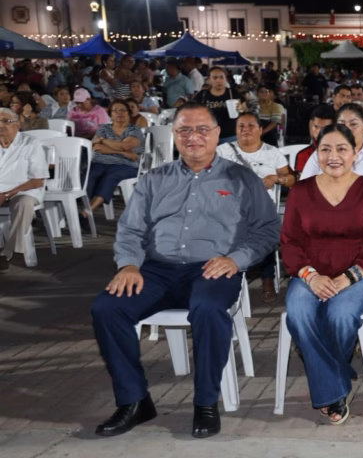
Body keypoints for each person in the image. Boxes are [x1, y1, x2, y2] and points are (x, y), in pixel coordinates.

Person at [90, 103, 279, 439]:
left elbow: (267, 229)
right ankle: (135, 400)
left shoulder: (241, 178)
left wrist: (236, 260)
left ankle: (205, 402)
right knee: (107, 307)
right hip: (156, 270)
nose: (194, 137)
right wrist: (129, 265)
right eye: (184, 130)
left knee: (208, 309)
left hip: (211, 269)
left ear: (218, 134)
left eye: (202, 129)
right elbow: (131, 230)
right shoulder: (154, 180)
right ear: (174, 135)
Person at [280, 123, 363, 425]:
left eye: (342, 149)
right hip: (310, 273)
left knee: (340, 314)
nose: (333, 156)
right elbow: (289, 242)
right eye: (325, 149)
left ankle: (324, 374)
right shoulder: (301, 192)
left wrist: (349, 277)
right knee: (298, 311)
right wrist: (312, 277)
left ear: (356, 152)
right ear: (315, 153)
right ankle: (334, 385)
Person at [217, 111, 296, 301]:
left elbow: (292, 180)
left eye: (251, 125)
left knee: (261, 226)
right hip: (229, 203)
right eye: (241, 126)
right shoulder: (223, 151)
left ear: (261, 130)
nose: (246, 130)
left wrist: (275, 178)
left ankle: (267, 278)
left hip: (261, 205)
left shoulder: (272, 153)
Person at [0, 108, 47, 271]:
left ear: (18, 125)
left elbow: (37, 180)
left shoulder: (31, 143)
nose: (1, 125)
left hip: (22, 190)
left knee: (24, 204)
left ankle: (8, 253)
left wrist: (7, 194)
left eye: (6, 121)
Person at [84, 100, 144, 216]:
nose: (119, 113)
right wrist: (124, 152)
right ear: (110, 114)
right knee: (89, 175)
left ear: (128, 113)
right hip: (101, 162)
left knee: (110, 176)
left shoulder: (134, 130)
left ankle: (86, 213)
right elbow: (96, 147)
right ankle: (84, 209)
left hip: (125, 165)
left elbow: (125, 145)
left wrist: (103, 141)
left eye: (122, 110)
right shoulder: (103, 128)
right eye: (115, 111)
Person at [193, 66, 237, 142]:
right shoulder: (203, 94)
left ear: (225, 79)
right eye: (215, 78)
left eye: (221, 77)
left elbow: (244, 111)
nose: (218, 80)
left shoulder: (233, 94)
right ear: (209, 80)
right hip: (207, 136)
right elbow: (192, 110)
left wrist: (240, 109)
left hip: (230, 136)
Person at [294, 104, 339, 174]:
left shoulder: (342, 153)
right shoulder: (303, 155)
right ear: (311, 124)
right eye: (316, 126)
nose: (318, 132)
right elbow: (302, 182)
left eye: (323, 128)